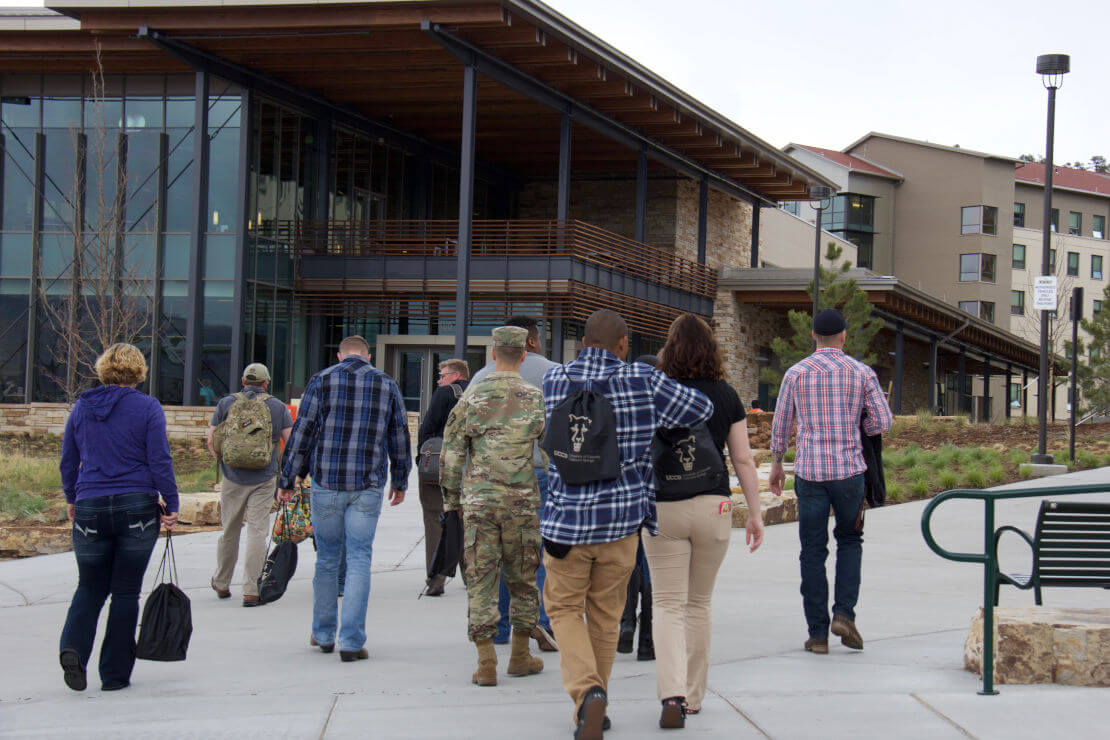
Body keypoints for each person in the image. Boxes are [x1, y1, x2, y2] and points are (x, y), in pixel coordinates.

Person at [541, 309, 713, 739]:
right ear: (623, 344)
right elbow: (701, 408)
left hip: (565, 523)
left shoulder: (555, 380)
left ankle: (588, 696)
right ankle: (595, 699)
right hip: (621, 525)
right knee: (605, 616)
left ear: (583, 343)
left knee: (562, 610)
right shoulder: (641, 379)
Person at [646, 314, 764, 727]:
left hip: (664, 507)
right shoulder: (726, 395)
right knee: (699, 603)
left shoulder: (657, 391)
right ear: (713, 349)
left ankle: (671, 696)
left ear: (670, 349)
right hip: (713, 506)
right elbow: (743, 459)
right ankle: (694, 697)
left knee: (667, 603)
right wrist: (754, 512)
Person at [277, 335, 411, 662]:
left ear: (340, 355)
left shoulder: (321, 380)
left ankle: (323, 633)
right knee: (359, 558)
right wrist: (401, 479)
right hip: (367, 483)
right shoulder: (386, 384)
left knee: (326, 558)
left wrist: (288, 478)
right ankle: (351, 640)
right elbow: (399, 434)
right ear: (368, 356)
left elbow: (302, 432)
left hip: (327, 482)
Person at [769, 308, 892, 655]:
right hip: (850, 472)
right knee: (850, 542)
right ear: (843, 336)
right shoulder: (861, 372)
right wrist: (859, 428)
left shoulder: (795, 374)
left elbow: (781, 424)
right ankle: (844, 614)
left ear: (813, 336)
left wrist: (777, 463)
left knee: (811, 550)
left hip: (809, 473)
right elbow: (882, 421)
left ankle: (818, 634)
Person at [58, 343, 179, 692]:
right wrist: (170, 503)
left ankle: (74, 650)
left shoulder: (81, 407)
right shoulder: (147, 407)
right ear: (139, 372)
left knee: (90, 585)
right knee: (126, 592)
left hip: (91, 504)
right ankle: (114, 674)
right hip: (136, 506)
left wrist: (72, 496)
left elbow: (69, 458)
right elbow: (160, 459)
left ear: (103, 369)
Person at [440, 326, 547, 686]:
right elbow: (550, 452)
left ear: (492, 353)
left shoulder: (471, 395)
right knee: (523, 579)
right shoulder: (534, 397)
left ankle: (486, 662)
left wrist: (452, 498)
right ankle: (519, 655)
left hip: (480, 502)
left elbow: (452, 452)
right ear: (523, 354)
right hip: (521, 502)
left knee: (482, 579)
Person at [470, 315, 559, 652]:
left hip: (490, 476)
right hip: (536, 472)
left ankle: (502, 627)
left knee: (501, 555)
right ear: (531, 343)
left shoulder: (480, 376)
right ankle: (541, 622)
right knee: (537, 553)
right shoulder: (553, 373)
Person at [207, 363, 293, 606]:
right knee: (257, 531)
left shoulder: (226, 403)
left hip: (232, 477)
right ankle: (250, 590)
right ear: (266, 383)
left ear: (244, 381)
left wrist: (224, 461)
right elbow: (291, 442)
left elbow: (212, 440)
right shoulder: (277, 406)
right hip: (264, 478)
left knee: (229, 530)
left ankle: (222, 583)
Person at [617, 354, 659, 663]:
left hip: (628, 495)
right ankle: (648, 638)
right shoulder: (665, 407)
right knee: (654, 564)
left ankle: (626, 621)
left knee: (630, 559)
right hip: (660, 496)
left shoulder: (623, 407)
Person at [417, 358, 469, 596]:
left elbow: (428, 428)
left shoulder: (445, 393)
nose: (440, 380)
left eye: (443, 374)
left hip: (441, 465)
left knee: (436, 517)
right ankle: (472, 575)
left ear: (456, 375)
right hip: (469, 466)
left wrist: (421, 459)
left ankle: (436, 577)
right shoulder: (478, 391)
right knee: (466, 520)